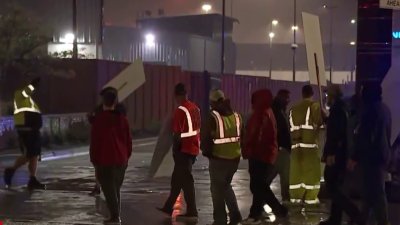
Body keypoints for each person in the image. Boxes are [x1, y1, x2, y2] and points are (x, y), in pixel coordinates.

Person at [242, 89, 288, 225]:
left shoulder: (260, 114)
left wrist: (247, 149)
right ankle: (255, 214)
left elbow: (254, 135)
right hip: (267, 154)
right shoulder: (269, 112)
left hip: (259, 154)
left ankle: (276, 210)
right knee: (259, 185)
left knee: (258, 185)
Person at [348, 83, 391, 225]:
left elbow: (365, 137)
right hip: (381, 156)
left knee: (376, 193)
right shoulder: (385, 109)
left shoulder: (370, 112)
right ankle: (362, 219)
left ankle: (381, 221)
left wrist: (355, 157)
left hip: (371, 158)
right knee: (370, 192)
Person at [157, 83, 201, 222]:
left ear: (177, 95)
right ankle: (168, 206)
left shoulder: (180, 110)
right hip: (193, 148)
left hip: (183, 149)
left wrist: (175, 151)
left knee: (186, 180)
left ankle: (192, 211)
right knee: (177, 179)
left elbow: (177, 134)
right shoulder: (195, 108)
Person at [320, 85, 362, 225]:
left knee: (331, 186)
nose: (326, 98)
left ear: (333, 96)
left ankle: (354, 213)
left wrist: (331, 153)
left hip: (336, 155)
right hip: (340, 153)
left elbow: (336, 134)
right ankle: (335, 218)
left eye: (328, 96)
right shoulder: (342, 108)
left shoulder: (337, 110)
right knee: (336, 187)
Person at [90, 87, 132, 225]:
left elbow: (95, 141)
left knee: (109, 190)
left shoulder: (100, 119)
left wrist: (94, 159)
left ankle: (115, 217)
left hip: (105, 160)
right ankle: (115, 215)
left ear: (104, 102)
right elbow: (128, 140)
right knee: (115, 189)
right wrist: (126, 156)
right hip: (121, 160)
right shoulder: (122, 119)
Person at [201, 90, 242, 225]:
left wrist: (207, 153)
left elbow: (205, 139)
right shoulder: (236, 116)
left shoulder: (213, 117)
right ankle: (234, 215)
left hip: (219, 159)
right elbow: (244, 135)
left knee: (217, 190)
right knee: (225, 186)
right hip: (234, 159)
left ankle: (221, 219)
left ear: (213, 102)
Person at [4, 78, 46, 190]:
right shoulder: (19, 94)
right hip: (27, 130)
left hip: (32, 130)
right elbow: (26, 92)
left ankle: (32, 179)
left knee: (34, 155)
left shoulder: (27, 99)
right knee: (29, 155)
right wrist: (33, 85)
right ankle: (11, 170)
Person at [87, 87, 127, 196]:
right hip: (109, 144)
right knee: (101, 167)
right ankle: (100, 187)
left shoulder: (119, 110)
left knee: (104, 167)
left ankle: (107, 190)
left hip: (111, 144)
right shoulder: (101, 109)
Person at [289, 85, 324, 205]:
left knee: (296, 173)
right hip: (310, 147)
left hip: (295, 147)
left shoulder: (293, 109)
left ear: (302, 94)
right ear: (312, 94)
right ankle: (311, 198)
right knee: (312, 173)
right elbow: (320, 124)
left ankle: (296, 198)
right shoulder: (314, 106)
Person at [267, 89, 291, 202]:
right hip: (279, 150)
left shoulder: (279, 110)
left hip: (281, 150)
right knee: (271, 178)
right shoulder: (276, 111)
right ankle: (281, 204)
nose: (288, 100)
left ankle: (284, 203)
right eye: (286, 98)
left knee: (281, 179)